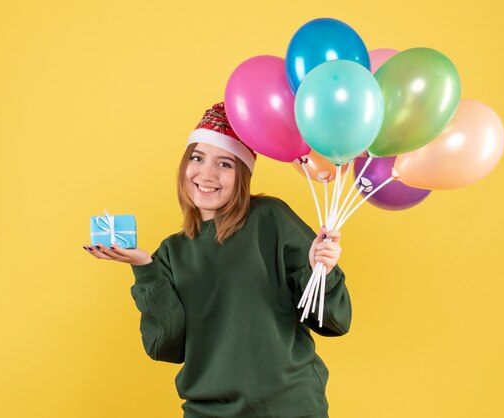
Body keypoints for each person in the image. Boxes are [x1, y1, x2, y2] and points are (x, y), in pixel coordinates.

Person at [83, 103, 351, 418]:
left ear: (243, 175)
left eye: (224, 163)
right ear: (185, 165)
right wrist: (145, 268)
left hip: (290, 408)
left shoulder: (271, 219)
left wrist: (321, 270)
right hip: (208, 412)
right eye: (197, 158)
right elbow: (166, 347)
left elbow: (333, 321)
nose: (207, 174)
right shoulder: (170, 253)